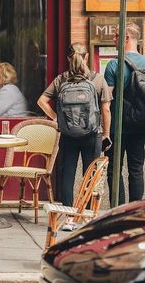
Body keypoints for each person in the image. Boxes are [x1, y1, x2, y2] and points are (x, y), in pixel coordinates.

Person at [37, 43, 112, 208]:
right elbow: (106, 109)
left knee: (67, 175)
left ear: (68, 58)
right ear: (86, 57)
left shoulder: (61, 79)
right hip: (92, 135)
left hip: (68, 135)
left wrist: (58, 118)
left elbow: (41, 101)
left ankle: (67, 213)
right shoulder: (97, 79)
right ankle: (84, 212)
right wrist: (106, 133)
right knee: (90, 175)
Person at [104, 22, 145, 205]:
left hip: (118, 126)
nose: (114, 39)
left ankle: (119, 213)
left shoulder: (114, 65)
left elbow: (106, 102)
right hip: (140, 126)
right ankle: (135, 211)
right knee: (136, 170)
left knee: (114, 170)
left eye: (116, 35)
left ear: (126, 38)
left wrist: (105, 132)